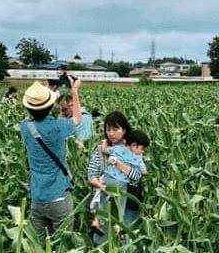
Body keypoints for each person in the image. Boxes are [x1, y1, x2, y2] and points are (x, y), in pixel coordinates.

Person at [20, 79, 82, 242]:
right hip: (58, 195)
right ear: (51, 106)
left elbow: (33, 115)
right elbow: (77, 118)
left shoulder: (25, 127)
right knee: (63, 245)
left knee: (40, 247)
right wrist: (74, 91)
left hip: (37, 199)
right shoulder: (58, 127)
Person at [88, 112, 145, 243]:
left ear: (124, 130)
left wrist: (118, 162)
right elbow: (91, 174)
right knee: (102, 242)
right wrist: (103, 187)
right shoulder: (100, 150)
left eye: (115, 129)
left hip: (128, 203)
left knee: (126, 242)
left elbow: (136, 176)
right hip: (106, 201)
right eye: (108, 129)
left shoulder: (133, 149)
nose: (111, 133)